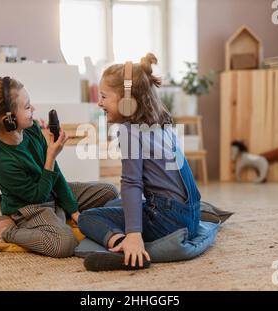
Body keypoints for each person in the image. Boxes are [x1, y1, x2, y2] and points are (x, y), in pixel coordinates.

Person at [0, 75, 118, 258]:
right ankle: (7, 230)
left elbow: (56, 175)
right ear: (8, 119)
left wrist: (74, 211)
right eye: (27, 106)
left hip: (50, 190)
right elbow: (38, 196)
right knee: (65, 243)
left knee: (109, 190)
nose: (34, 109)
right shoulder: (2, 161)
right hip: (29, 208)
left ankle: (60, 216)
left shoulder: (32, 128)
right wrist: (51, 158)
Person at [78, 54, 202, 271]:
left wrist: (134, 233)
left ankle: (126, 246)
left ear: (126, 101)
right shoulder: (163, 124)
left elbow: (132, 183)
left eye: (104, 96)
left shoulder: (129, 131)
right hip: (190, 213)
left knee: (87, 218)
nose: (99, 102)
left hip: (167, 220)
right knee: (113, 204)